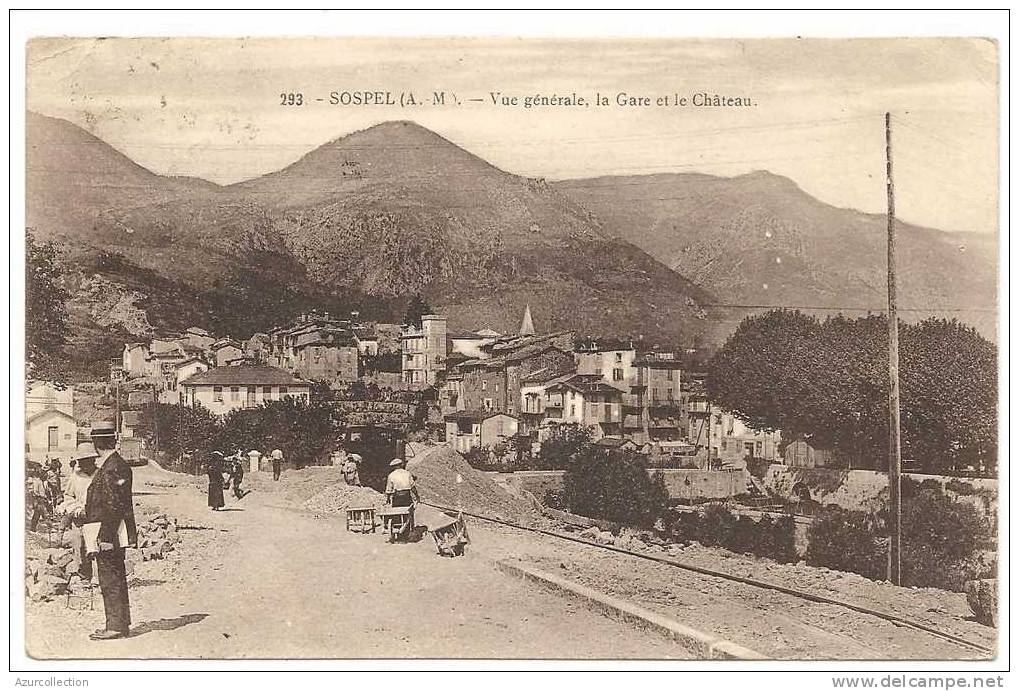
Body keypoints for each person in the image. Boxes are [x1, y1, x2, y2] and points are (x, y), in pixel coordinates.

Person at [84, 421, 137, 640]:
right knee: (116, 576)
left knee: (110, 578)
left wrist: (105, 536)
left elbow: (113, 505)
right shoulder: (117, 464)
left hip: (109, 532)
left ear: (97, 442)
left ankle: (115, 626)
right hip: (114, 530)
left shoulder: (112, 467)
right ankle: (120, 623)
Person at [61, 443, 98, 580]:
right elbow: (68, 496)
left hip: (96, 518)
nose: (82, 463)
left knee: (94, 547)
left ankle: (97, 578)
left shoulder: (99, 475)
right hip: (79, 518)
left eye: (86, 460)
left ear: (93, 460)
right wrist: (76, 509)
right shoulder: (75, 477)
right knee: (79, 546)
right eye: (80, 461)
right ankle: (83, 575)